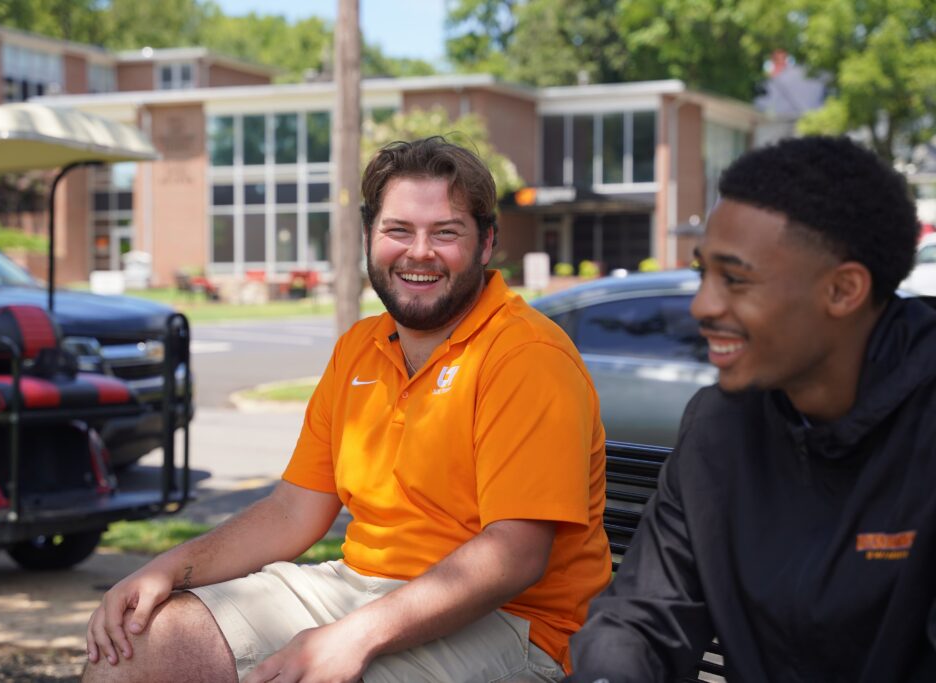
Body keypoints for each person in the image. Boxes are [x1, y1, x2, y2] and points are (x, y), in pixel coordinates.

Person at [85, 136, 610, 683]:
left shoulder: (525, 356)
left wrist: (352, 636)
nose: (420, 252)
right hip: (361, 587)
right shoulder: (360, 346)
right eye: (398, 230)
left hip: (517, 625)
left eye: (446, 232)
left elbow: (515, 556)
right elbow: (292, 512)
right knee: (138, 643)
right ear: (368, 237)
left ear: (486, 245)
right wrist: (169, 569)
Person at [569, 136, 936, 682]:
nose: (702, 306)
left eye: (735, 280)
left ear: (843, 290)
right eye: (703, 275)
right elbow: (641, 618)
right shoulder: (720, 426)